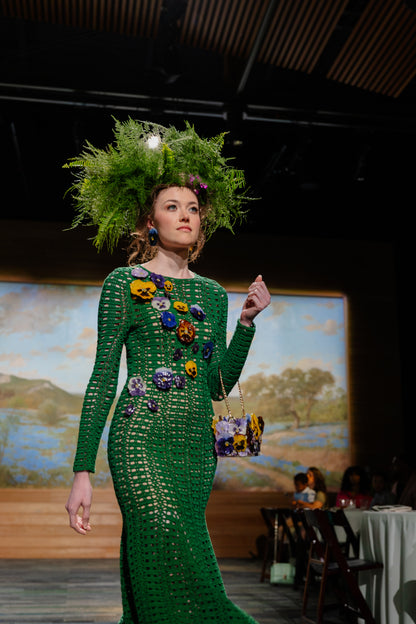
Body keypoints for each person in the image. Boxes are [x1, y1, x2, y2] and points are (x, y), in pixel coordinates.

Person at [64, 119, 271, 624]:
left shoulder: (211, 293)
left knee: (162, 560)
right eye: (172, 206)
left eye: (193, 208)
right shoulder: (122, 283)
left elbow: (218, 385)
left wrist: (245, 324)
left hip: (196, 448)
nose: (185, 216)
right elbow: (102, 377)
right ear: (150, 222)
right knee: (163, 536)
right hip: (140, 438)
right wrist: (82, 471)